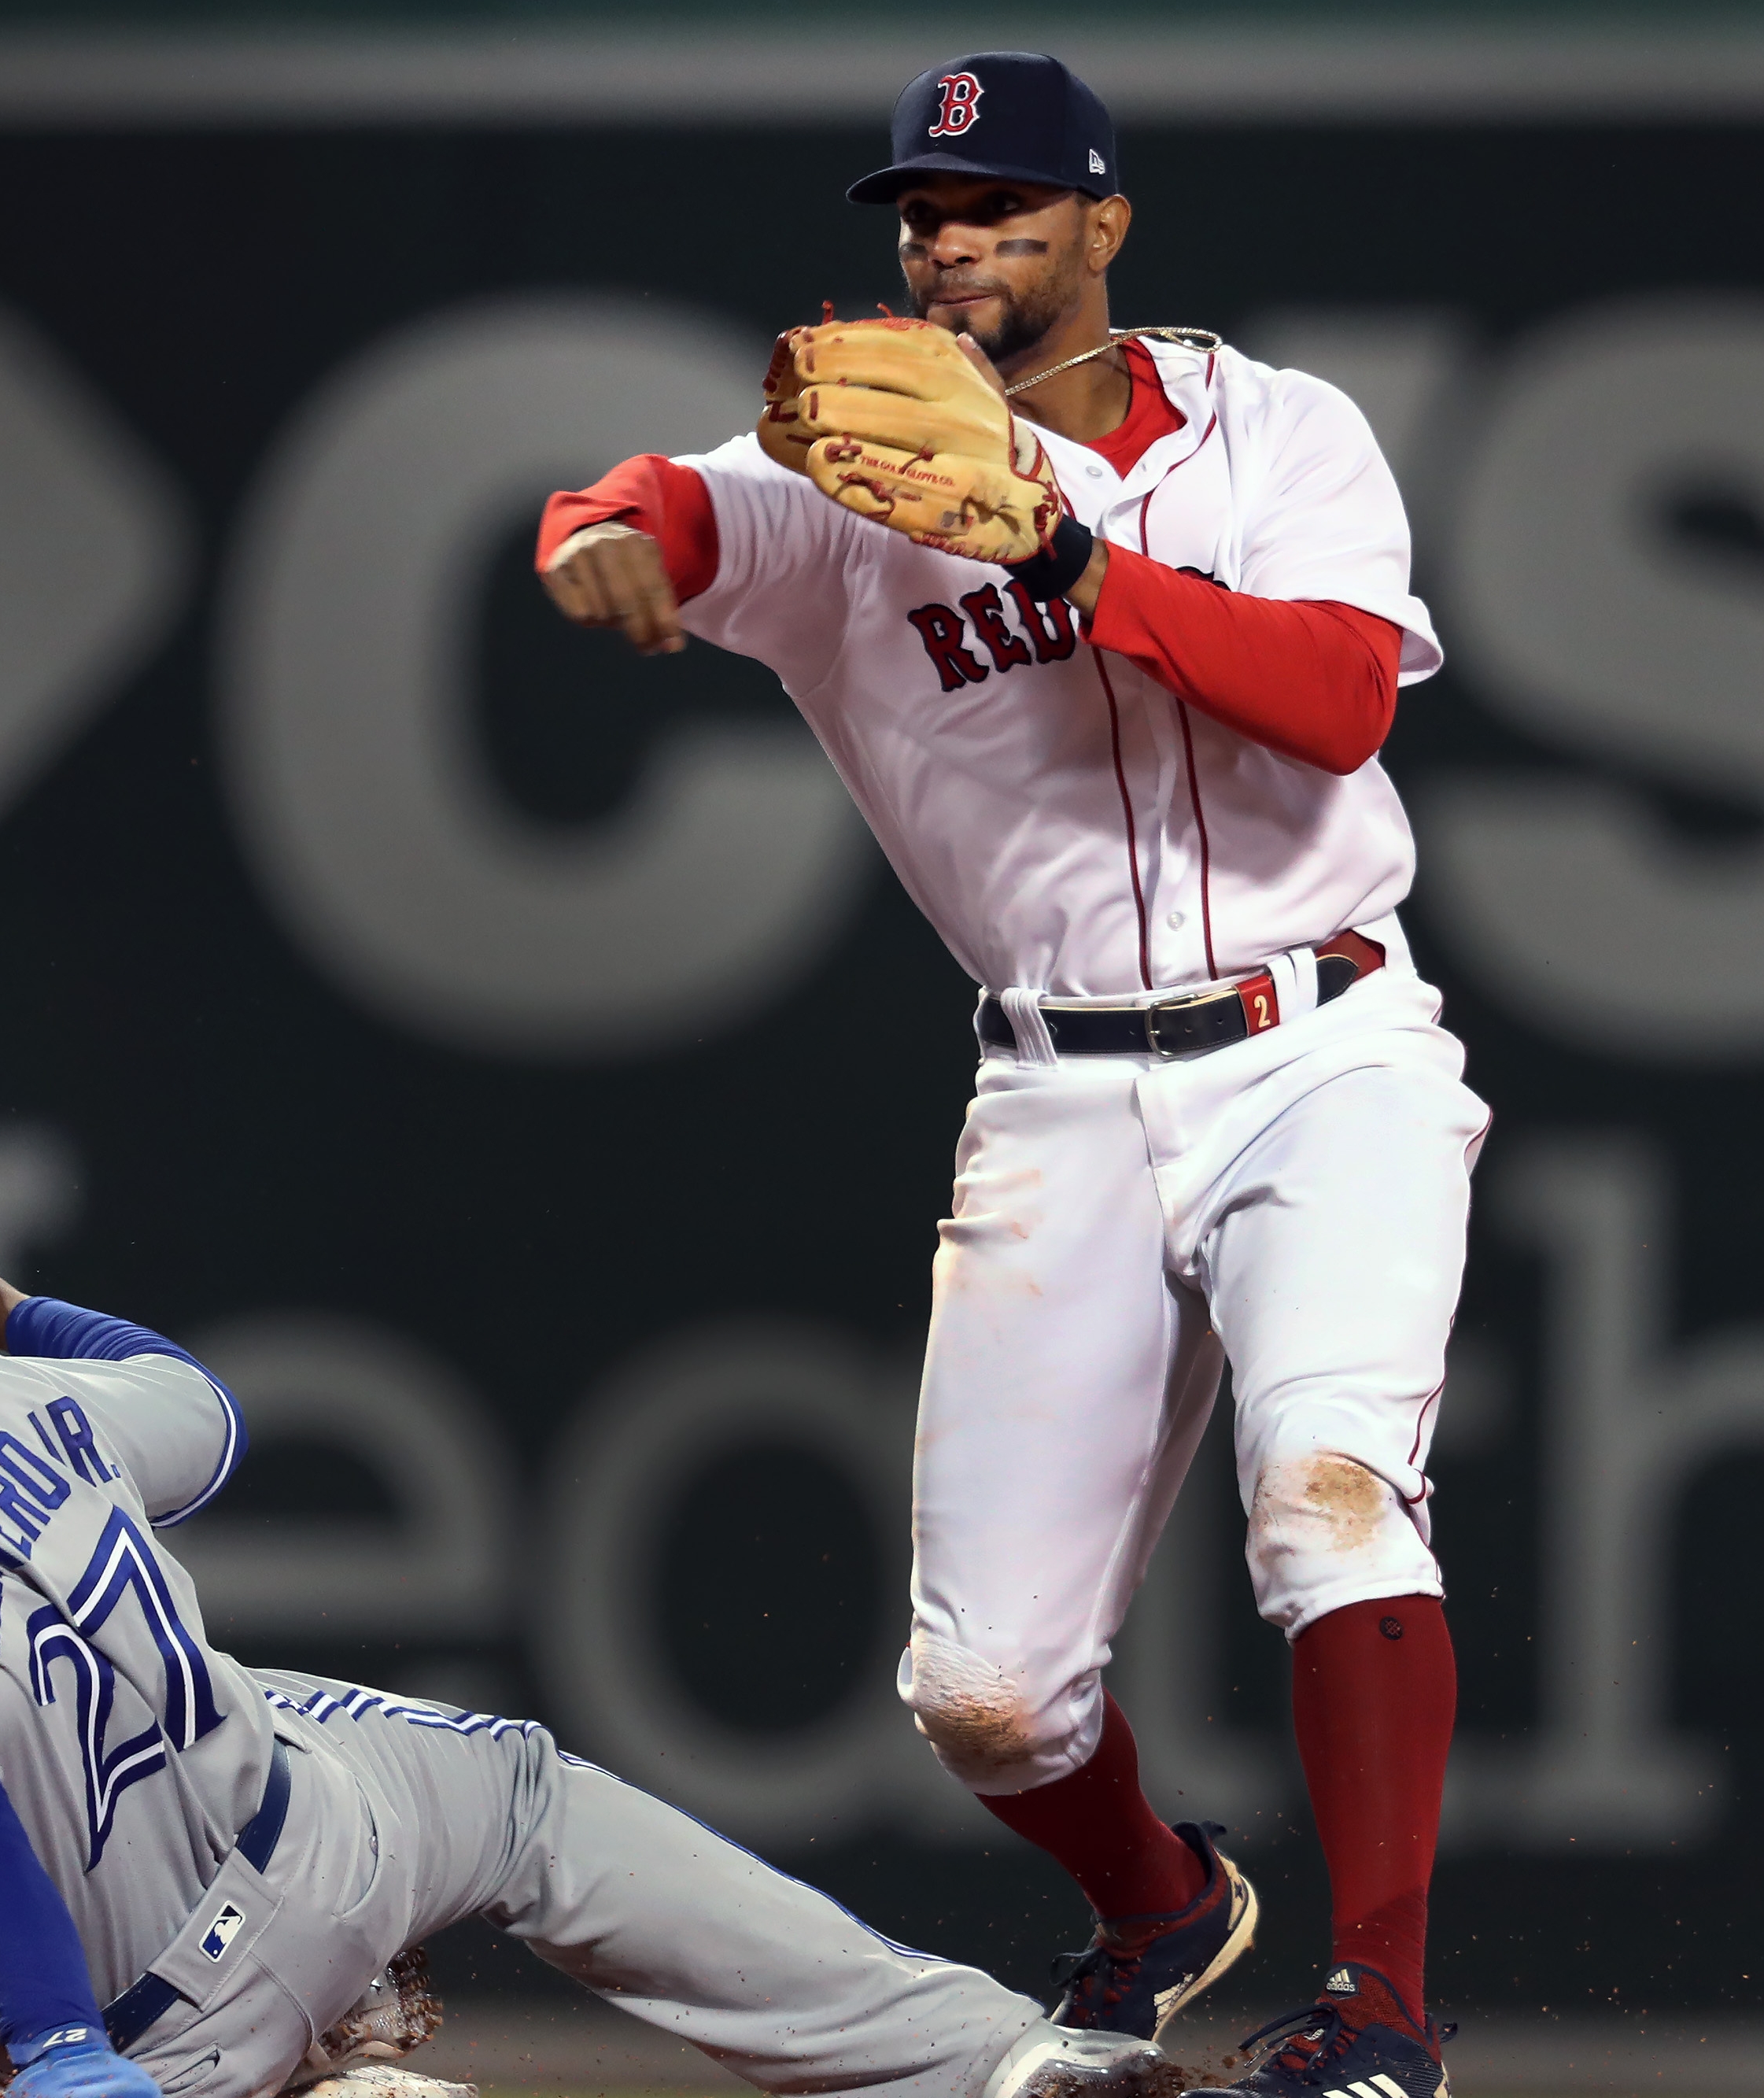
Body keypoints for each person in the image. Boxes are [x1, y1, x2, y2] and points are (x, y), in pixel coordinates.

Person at [537, 48, 1478, 2098]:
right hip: (1057, 1090)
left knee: (1330, 1497)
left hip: (1322, 1049)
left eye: (1001, 211)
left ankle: (1385, 2018)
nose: (952, 245)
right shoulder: (845, 482)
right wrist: (601, 530)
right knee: (984, 1696)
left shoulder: (1277, 433)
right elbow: (663, 505)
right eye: (925, 216)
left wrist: (1070, 563)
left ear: (1105, 227)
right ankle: (1157, 1901)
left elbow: (1331, 704)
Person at [0, 1243, 1178, 2098]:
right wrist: (19, 1313)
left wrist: (56, 2053)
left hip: (157, 2027)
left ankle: (323, 2076)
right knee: (528, 1795)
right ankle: (1008, 2065)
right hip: (324, 1830)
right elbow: (203, 1412)